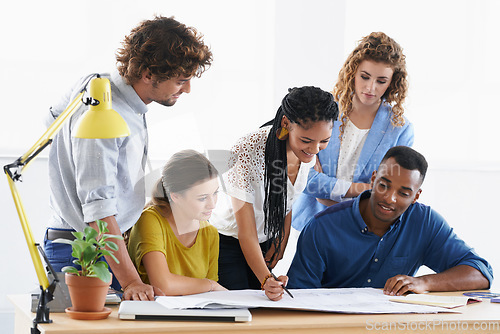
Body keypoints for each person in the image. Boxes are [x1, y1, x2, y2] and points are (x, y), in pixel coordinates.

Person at [43, 15, 212, 301]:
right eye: (181, 80)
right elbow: (98, 212)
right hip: (81, 251)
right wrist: (131, 280)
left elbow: (52, 118)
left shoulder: (101, 86)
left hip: (109, 245)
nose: (187, 89)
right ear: (148, 74)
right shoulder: (106, 114)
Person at [287, 146, 493, 295]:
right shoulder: (321, 227)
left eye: (403, 193)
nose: (389, 198)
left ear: (416, 196)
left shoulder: (425, 222)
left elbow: (480, 272)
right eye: (384, 185)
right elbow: (297, 297)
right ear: (374, 178)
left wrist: (423, 283)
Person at [210, 86, 339, 301]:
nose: (315, 150)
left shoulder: (306, 152)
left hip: (265, 240)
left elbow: (286, 198)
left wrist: (282, 237)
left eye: (324, 141)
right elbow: (245, 231)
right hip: (228, 242)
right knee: (239, 309)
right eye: (307, 140)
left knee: (263, 310)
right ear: (286, 123)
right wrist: (265, 279)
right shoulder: (248, 150)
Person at [292, 32, 414, 233]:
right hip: (312, 222)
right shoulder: (323, 112)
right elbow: (306, 180)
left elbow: (387, 194)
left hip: (362, 228)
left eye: (381, 81)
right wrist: (365, 189)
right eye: (365, 77)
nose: (370, 87)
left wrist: (329, 193)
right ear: (353, 72)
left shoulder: (401, 130)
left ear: (392, 82)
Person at [127, 150, 226, 295]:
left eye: (215, 193)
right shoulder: (150, 220)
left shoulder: (210, 233)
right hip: (152, 313)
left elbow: (210, 295)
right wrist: (210, 284)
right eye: (203, 198)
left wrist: (210, 286)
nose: (212, 204)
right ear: (176, 196)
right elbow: (163, 286)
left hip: (195, 314)